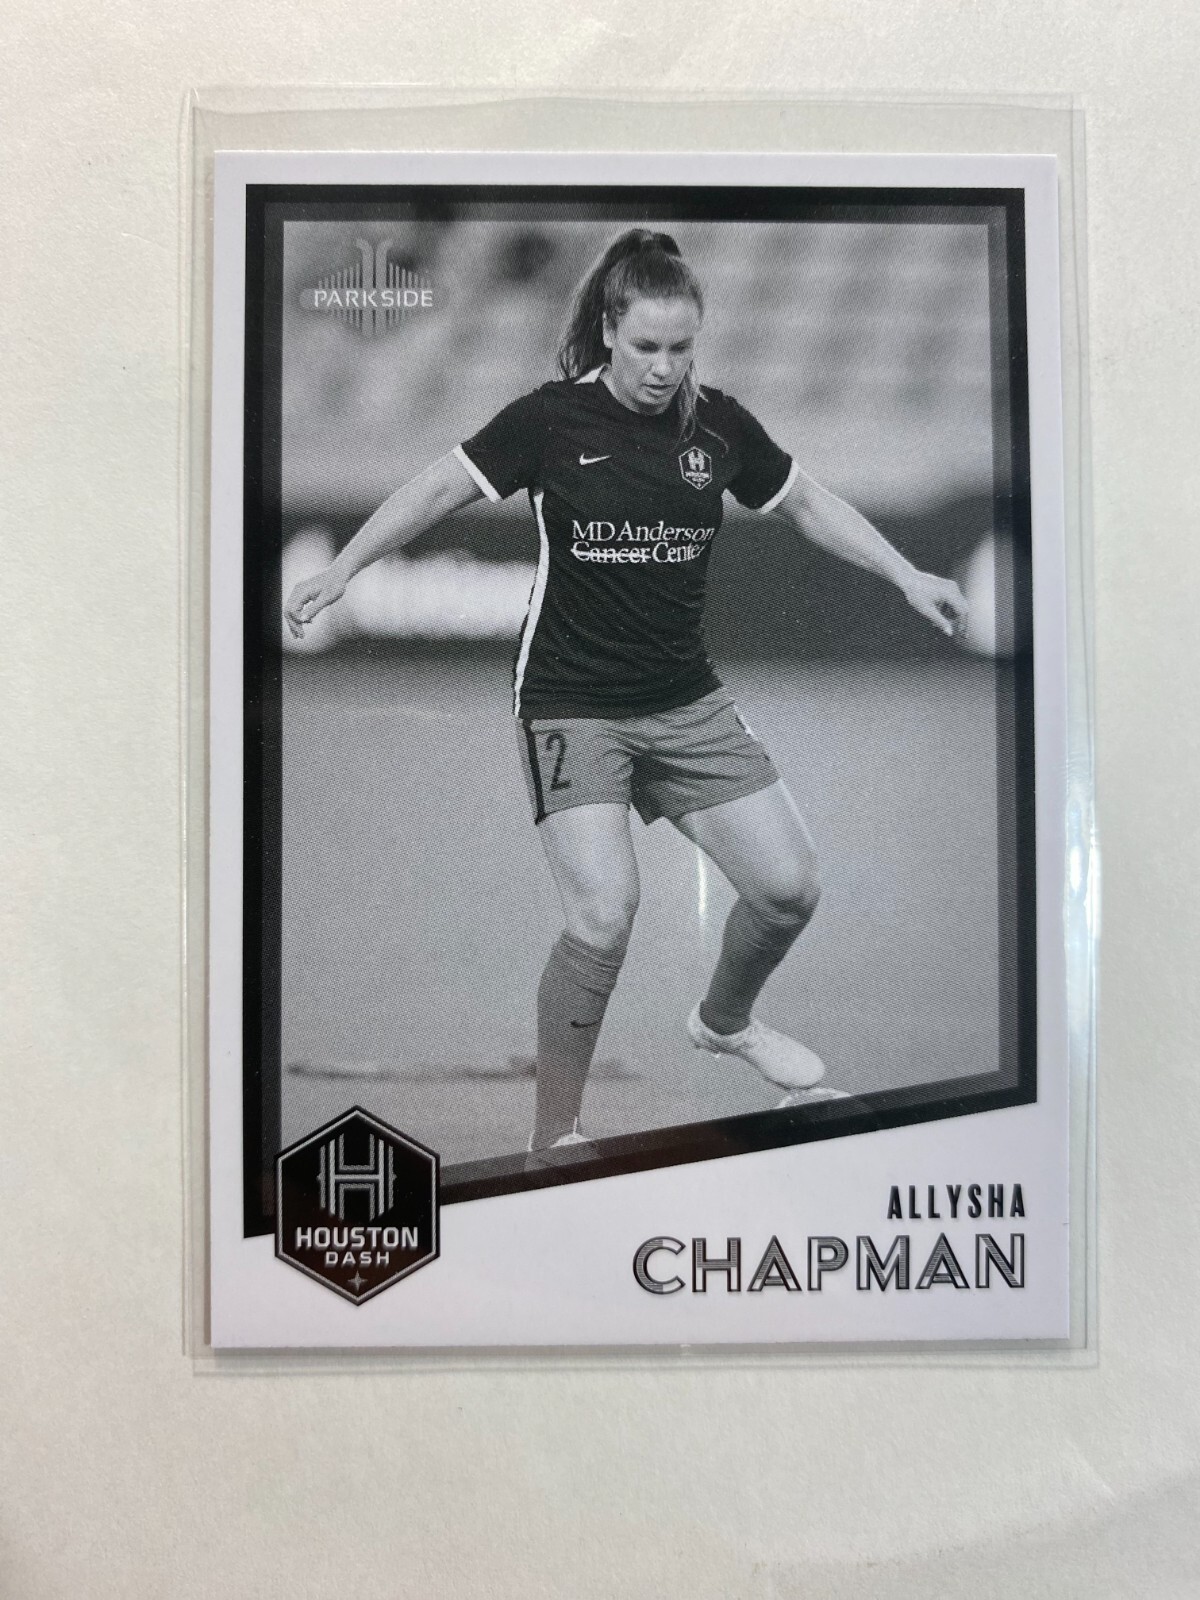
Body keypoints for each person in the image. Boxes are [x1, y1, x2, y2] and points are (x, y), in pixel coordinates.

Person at [285, 227, 968, 1161]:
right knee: (604, 915)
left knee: (788, 889)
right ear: (609, 331)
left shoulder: (717, 427)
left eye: (681, 347)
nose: (662, 367)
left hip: (684, 698)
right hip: (572, 702)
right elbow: (440, 486)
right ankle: (557, 1135)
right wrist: (346, 567)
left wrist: (906, 573)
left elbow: (808, 502)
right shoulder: (549, 421)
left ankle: (724, 1022)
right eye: (646, 346)